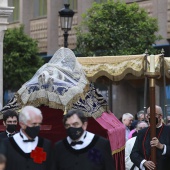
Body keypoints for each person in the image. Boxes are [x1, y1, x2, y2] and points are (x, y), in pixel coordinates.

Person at [51, 109, 115, 170]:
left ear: (84, 125)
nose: (71, 128)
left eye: (75, 124)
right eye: (68, 125)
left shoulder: (101, 144)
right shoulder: (59, 147)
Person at [0, 106, 52, 170]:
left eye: (39, 124)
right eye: (34, 124)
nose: (37, 127)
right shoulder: (6, 144)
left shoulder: (45, 144)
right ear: (22, 124)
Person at [130, 105, 170, 170]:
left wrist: (162, 147)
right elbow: (134, 154)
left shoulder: (168, 130)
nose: (151, 117)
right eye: (149, 115)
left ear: (160, 116)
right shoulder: (142, 132)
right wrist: (144, 162)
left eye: (154, 114)